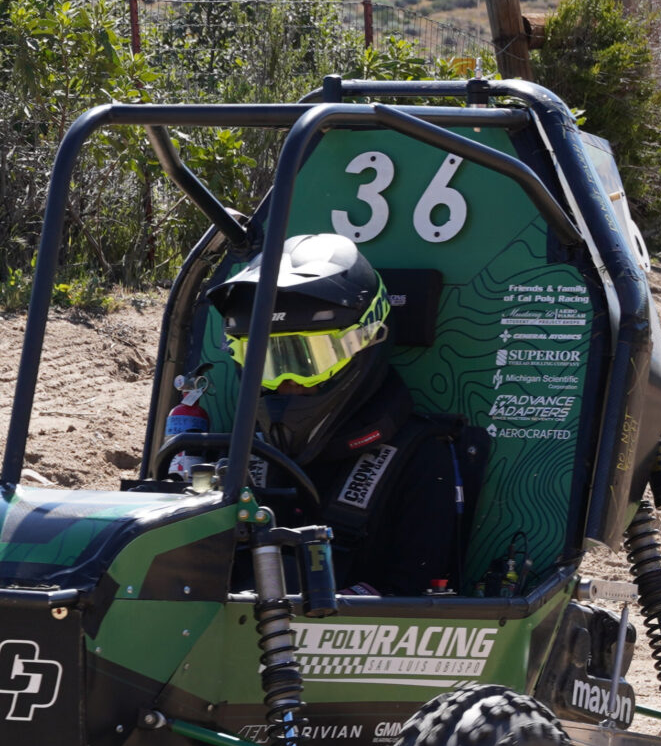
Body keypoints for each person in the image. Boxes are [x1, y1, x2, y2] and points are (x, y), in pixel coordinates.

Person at [197, 233, 493, 595]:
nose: (287, 383)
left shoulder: (421, 459)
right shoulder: (237, 455)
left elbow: (416, 607)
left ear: (366, 343)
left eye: (309, 359)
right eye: (267, 361)